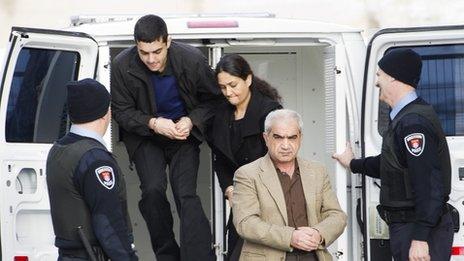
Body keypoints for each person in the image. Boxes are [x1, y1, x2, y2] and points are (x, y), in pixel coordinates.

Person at [111, 14, 222, 261]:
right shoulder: (121, 65)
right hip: (145, 137)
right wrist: (152, 123)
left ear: (168, 41)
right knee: (152, 191)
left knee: (186, 194)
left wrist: (191, 120)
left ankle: (198, 257)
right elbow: (121, 111)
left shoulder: (191, 59)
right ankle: (167, 255)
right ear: (136, 46)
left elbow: (214, 101)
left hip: (183, 137)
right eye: (144, 53)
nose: (151, 59)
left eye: (157, 51)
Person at [332, 49, 453, 261]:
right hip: (410, 227)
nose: (376, 81)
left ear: (393, 76)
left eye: (379, 75)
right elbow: (390, 165)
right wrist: (352, 163)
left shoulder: (413, 122)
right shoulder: (404, 117)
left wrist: (420, 238)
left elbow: (428, 184)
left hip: (419, 230)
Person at [232, 109, 347, 261]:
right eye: (278, 138)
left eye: (292, 138)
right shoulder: (247, 174)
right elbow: (245, 223)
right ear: (266, 138)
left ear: (300, 138)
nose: (286, 145)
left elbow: (337, 215)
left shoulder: (317, 171)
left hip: (313, 256)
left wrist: (318, 233)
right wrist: (290, 237)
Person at [46, 79, 137, 261]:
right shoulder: (95, 159)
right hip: (91, 255)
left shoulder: (58, 150)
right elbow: (108, 222)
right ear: (106, 113)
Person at [207, 54, 282, 260]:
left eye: (233, 85)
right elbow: (220, 158)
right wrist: (229, 188)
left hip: (269, 201)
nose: (228, 93)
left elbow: (280, 158)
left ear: (248, 79)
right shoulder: (221, 114)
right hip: (240, 202)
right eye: (223, 88)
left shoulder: (269, 111)